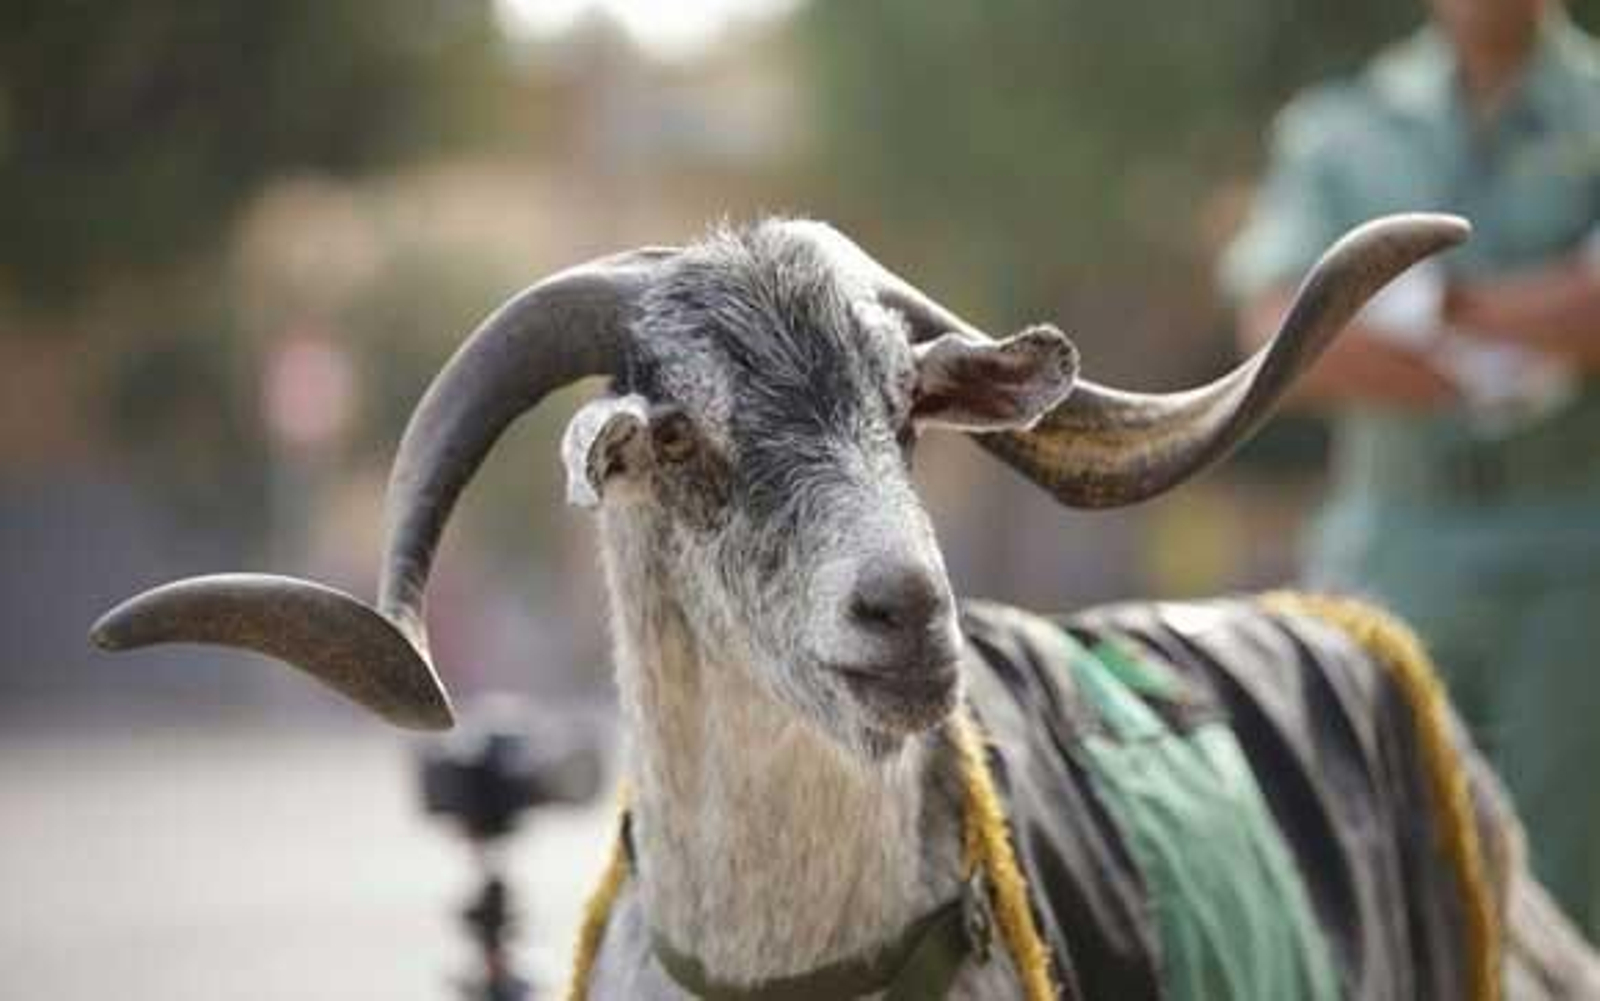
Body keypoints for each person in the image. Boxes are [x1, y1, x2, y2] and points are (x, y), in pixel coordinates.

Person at [1222, 0, 1600, 937]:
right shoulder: (1341, 128)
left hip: (1573, 564)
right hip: (1391, 555)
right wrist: (1523, 339)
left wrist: (1428, 304)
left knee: (1562, 910)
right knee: (1371, 887)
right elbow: (1280, 330)